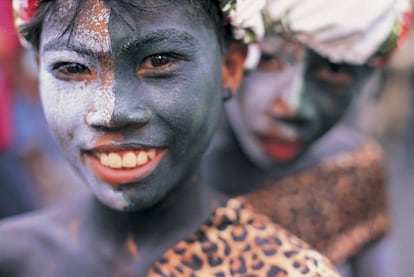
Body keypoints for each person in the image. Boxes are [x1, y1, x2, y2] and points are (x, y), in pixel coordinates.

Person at [0, 0, 340, 276]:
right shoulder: (13, 257)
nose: (111, 113)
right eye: (72, 68)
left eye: (159, 61)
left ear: (230, 67)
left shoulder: (285, 270)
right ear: (40, 69)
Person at [201, 0, 411, 276]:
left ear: (369, 81)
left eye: (334, 70)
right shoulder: (150, 175)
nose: (293, 106)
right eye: (268, 58)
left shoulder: (350, 172)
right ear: (227, 56)